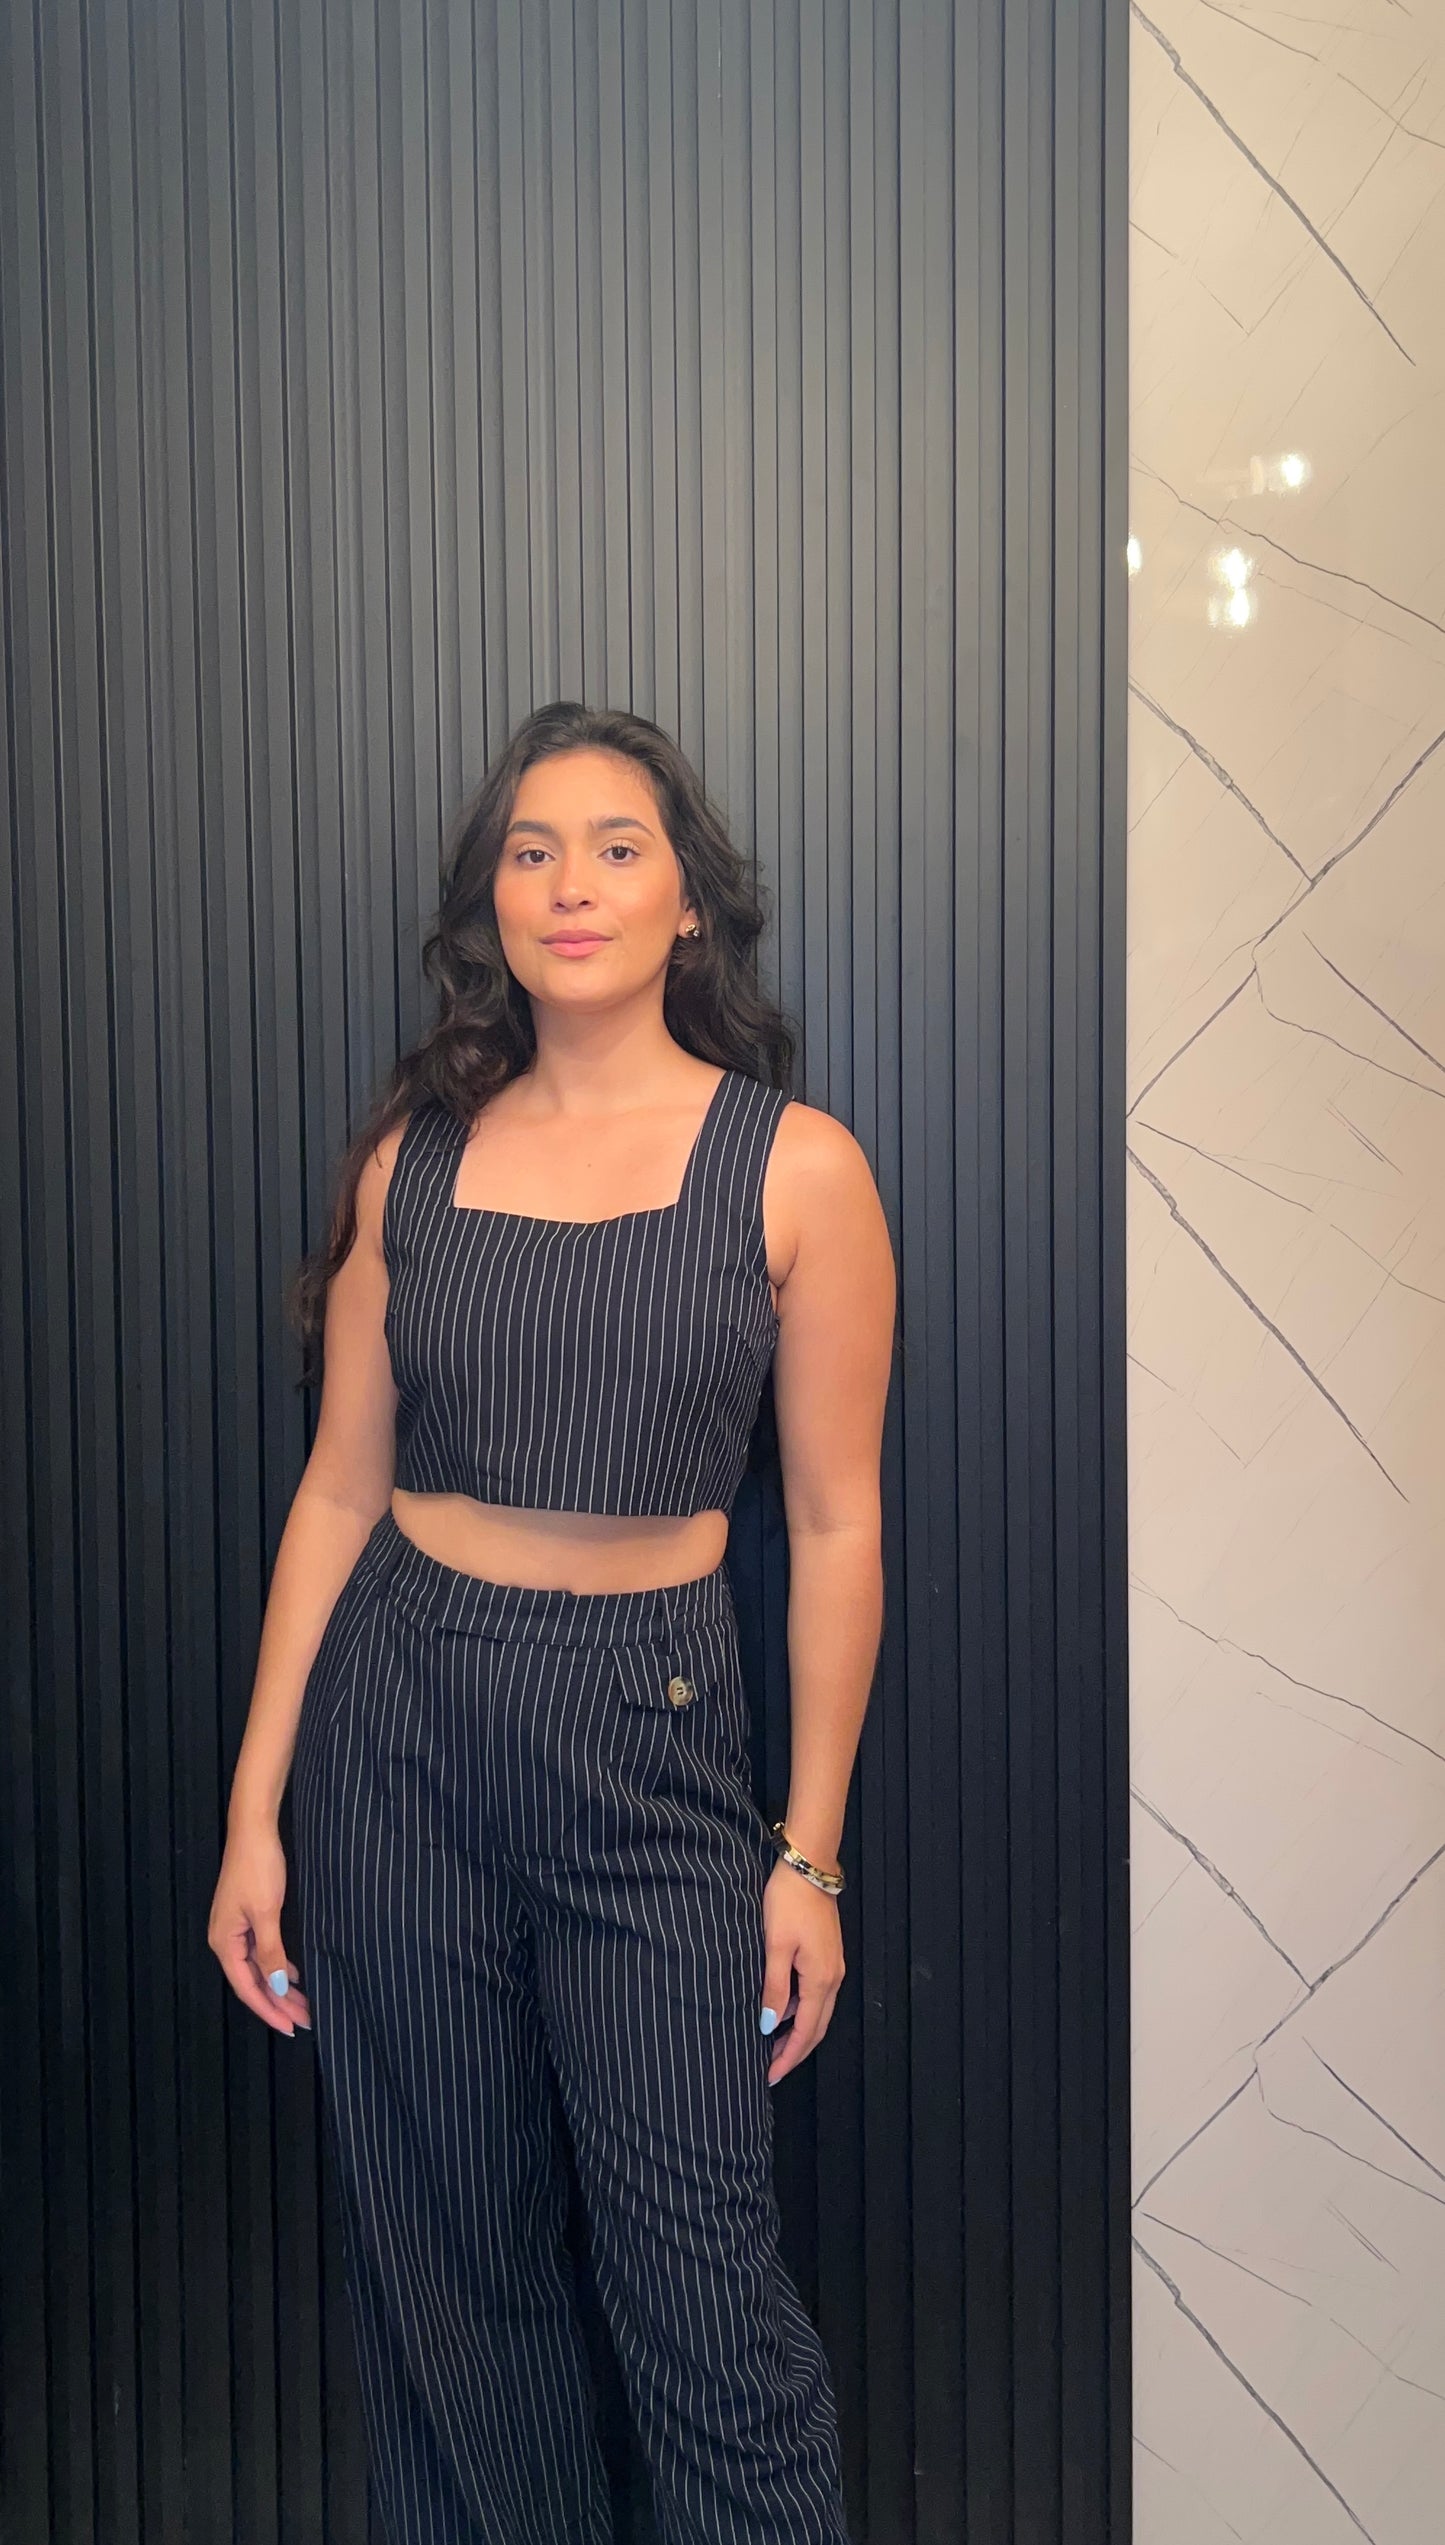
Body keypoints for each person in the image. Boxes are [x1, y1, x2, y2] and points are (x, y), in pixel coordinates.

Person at [208, 699, 896, 2544]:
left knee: (704, 2294)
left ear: (688, 903)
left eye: (614, 846)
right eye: (531, 850)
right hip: (397, 1727)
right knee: (449, 2282)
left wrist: (805, 1855)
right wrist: (255, 1808)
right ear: (491, 904)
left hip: (650, 1739)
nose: (570, 883)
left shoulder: (796, 1167)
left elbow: (835, 1524)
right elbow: (337, 1493)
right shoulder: (411, 1161)